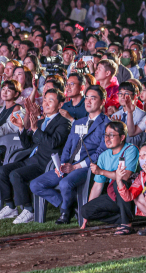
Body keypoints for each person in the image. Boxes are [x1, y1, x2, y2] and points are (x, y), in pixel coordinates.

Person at [29, 85, 110, 224]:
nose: (88, 101)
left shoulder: (107, 124)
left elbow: (101, 153)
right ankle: (69, 205)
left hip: (87, 167)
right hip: (68, 165)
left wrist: (76, 167)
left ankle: (65, 212)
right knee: (36, 184)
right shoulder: (79, 122)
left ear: (103, 101)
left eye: (93, 98)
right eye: (87, 98)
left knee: (65, 183)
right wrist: (61, 164)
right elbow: (67, 147)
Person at [0, 89, 72, 224]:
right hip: (31, 160)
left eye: (51, 100)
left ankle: (29, 210)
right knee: (3, 170)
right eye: (45, 100)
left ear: (60, 105)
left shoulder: (64, 123)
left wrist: (35, 130)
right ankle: (10, 206)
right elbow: (27, 145)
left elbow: (53, 143)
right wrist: (21, 128)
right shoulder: (40, 121)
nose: (46, 103)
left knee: (16, 174)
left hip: (44, 164)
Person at [79, 121, 139, 234]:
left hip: (132, 195)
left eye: (111, 135)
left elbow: (125, 177)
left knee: (119, 183)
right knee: (85, 210)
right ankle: (123, 218)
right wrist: (86, 216)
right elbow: (97, 185)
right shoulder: (103, 156)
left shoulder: (131, 149)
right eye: (105, 135)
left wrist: (101, 171)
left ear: (122, 137)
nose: (107, 138)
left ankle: (127, 224)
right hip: (115, 196)